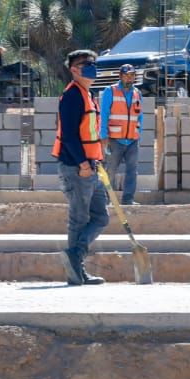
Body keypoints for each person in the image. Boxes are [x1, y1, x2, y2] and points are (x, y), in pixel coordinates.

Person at [55, 49, 108, 286]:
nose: (90, 66)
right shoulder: (72, 96)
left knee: (100, 217)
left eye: (92, 63)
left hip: (91, 167)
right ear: (73, 69)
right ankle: (76, 269)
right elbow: (68, 135)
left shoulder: (89, 94)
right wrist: (83, 163)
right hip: (77, 168)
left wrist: (95, 160)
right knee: (78, 219)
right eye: (85, 63)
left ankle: (75, 257)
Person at [99, 64, 144, 205]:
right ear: (120, 76)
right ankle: (108, 201)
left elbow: (140, 116)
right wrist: (103, 135)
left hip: (132, 140)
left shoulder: (137, 93)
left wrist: (138, 133)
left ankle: (128, 199)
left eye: (132, 76)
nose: (129, 78)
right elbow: (104, 114)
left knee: (132, 171)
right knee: (111, 171)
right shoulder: (110, 91)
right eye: (126, 75)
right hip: (115, 140)